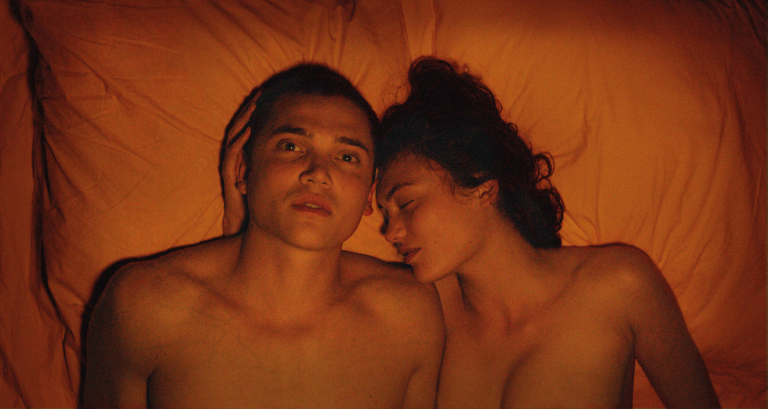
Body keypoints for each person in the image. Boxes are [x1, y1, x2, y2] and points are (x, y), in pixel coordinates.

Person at [220, 57, 721, 409]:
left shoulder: (618, 283)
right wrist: (243, 222)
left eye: (406, 204)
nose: (391, 231)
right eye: (385, 212)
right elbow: (285, 313)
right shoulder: (423, 309)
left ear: (483, 188)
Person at [83, 63, 444, 409]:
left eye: (347, 157)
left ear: (369, 195)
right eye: (291, 147)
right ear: (243, 170)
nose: (318, 173)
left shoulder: (408, 317)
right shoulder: (145, 306)